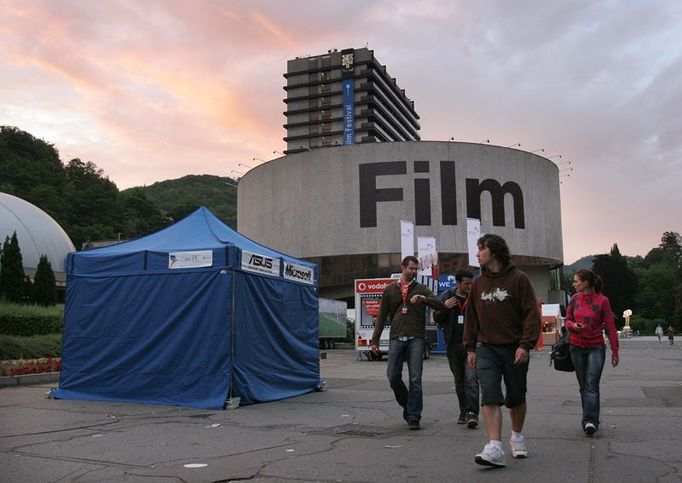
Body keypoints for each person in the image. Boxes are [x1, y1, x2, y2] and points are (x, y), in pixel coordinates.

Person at [464, 234, 540, 468]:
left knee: (516, 395)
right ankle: (494, 447)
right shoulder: (477, 283)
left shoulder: (519, 279)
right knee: (490, 394)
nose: (477, 254)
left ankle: (516, 436)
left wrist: (525, 345)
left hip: (515, 347)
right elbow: (471, 317)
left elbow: (531, 314)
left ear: (494, 252)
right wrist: (470, 347)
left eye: (481, 249)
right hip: (486, 348)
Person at [370, 256, 447, 430]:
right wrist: (374, 341)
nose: (414, 272)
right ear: (403, 268)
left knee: (415, 378)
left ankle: (414, 416)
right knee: (393, 376)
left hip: (416, 338)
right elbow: (381, 317)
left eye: (416, 269)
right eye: (411, 268)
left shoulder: (421, 288)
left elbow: (440, 305)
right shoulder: (390, 290)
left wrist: (423, 299)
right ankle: (408, 405)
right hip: (396, 337)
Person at [563, 268, 619, 436]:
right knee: (584, 386)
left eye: (576, 281)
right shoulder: (574, 300)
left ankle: (590, 421)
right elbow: (567, 320)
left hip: (596, 347)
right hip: (576, 347)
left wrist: (615, 351)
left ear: (586, 283)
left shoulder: (602, 301)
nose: (573, 284)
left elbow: (610, 326)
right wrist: (573, 326)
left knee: (591, 385)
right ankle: (588, 417)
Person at [433, 268, 480, 428]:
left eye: (471, 283)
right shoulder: (447, 295)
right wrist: (445, 307)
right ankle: (464, 411)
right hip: (453, 344)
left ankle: (473, 413)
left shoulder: (474, 297)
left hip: (471, 345)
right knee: (459, 381)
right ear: (458, 283)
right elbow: (436, 318)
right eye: (466, 284)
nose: (469, 286)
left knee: (471, 378)